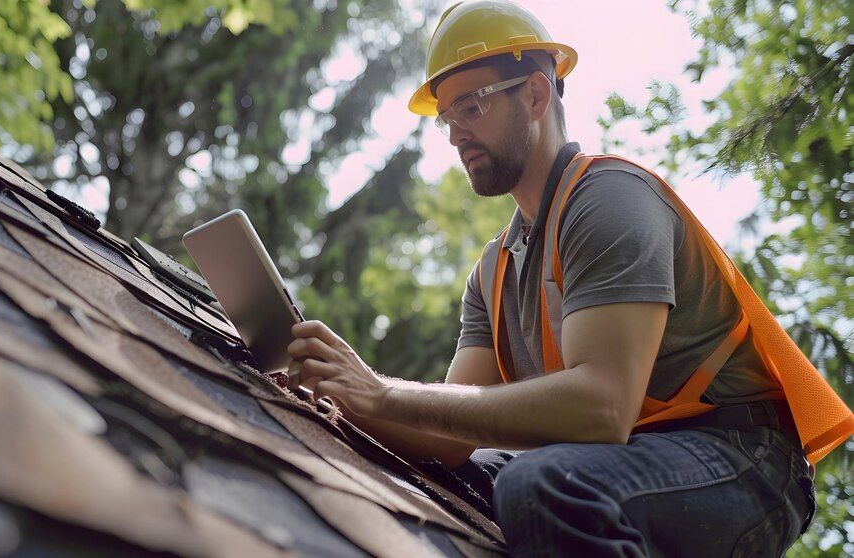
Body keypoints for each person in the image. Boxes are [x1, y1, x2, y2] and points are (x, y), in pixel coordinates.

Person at [286, 1, 852, 555]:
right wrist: (346, 399)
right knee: (439, 478)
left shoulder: (609, 199)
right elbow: (445, 440)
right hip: (618, 461)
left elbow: (601, 409)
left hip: (742, 460)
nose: (456, 133)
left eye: (472, 106)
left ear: (534, 93)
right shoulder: (493, 271)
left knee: (541, 485)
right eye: (447, 117)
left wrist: (384, 393)